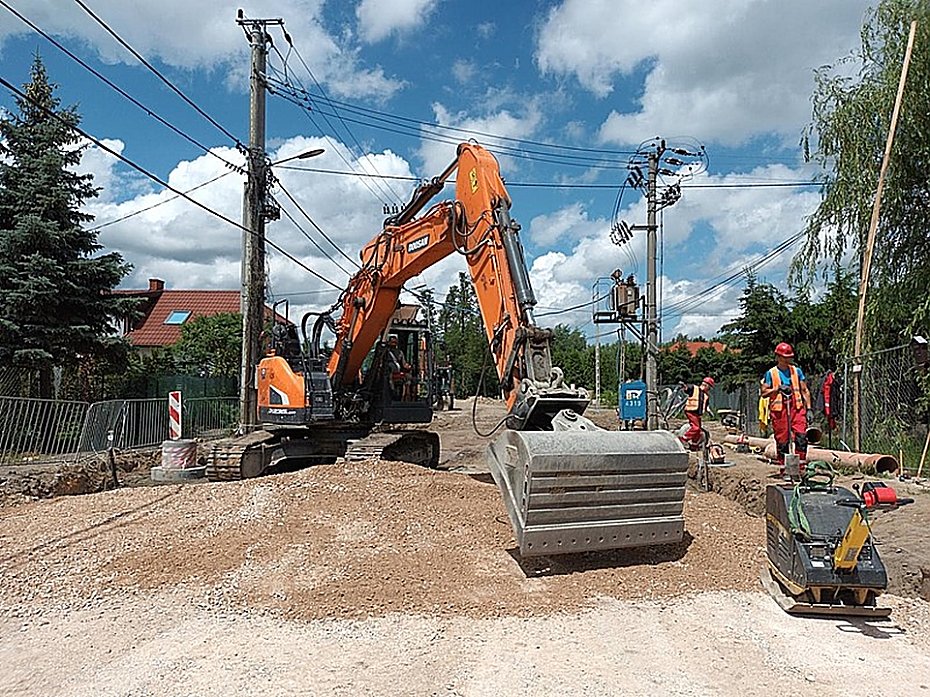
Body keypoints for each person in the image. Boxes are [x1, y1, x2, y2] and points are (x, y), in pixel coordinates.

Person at [760, 342, 812, 475]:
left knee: (801, 437)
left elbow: (804, 390)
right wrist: (777, 389)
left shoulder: (796, 371)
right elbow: (764, 393)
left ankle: (800, 468)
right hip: (779, 410)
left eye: (789, 356)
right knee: (782, 440)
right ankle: (785, 468)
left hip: (797, 408)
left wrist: (809, 408)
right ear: (778, 357)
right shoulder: (771, 373)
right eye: (785, 356)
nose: (788, 359)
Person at [680, 377, 714, 450]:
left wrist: (709, 411)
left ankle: (694, 444)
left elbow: (706, 405)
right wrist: (684, 386)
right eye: (709, 387)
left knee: (698, 431)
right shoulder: (694, 389)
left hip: (697, 414)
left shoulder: (706, 396)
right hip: (691, 411)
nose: (708, 389)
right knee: (696, 428)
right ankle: (683, 439)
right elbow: (687, 389)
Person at [385, 334, 411, 399]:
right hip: (387, 371)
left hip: (397, 371)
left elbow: (404, 364)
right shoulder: (386, 352)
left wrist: (408, 367)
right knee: (388, 376)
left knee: (408, 377)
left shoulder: (400, 352)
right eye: (392, 342)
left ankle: (406, 395)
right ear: (389, 343)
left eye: (395, 342)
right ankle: (392, 391)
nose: (394, 344)